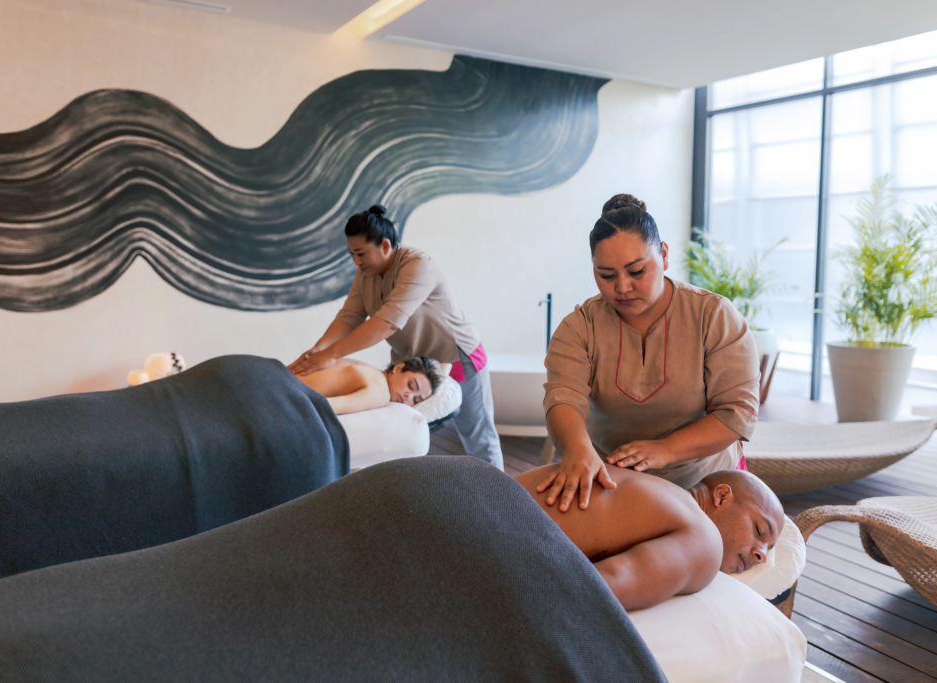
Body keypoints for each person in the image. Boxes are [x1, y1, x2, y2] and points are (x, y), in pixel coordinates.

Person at [539, 194, 760, 512]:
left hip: (706, 485)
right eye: (606, 275)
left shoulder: (714, 316)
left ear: (664, 255)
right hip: (612, 483)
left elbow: (737, 412)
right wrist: (576, 449)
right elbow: (563, 399)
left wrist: (666, 449)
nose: (622, 287)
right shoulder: (579, 326)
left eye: (637, 271)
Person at [290, 205, 503, 469]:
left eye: (361, 253)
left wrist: (330, 354)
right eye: (352, 254)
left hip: (456, 355)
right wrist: (316, 352)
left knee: (478, 436)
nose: (356, 261)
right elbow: (349, 316)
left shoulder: (418, 265)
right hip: (412, 361)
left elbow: (386, 324)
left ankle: (502, 493)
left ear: (385, 245)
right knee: (405, 432)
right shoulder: (365, 274)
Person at [517, 464, 783, 611]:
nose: (761, 555)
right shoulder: (706, 540)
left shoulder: (656, 493)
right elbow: (593, 590)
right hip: (501, 535)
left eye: (768, 548)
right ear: (722, 497)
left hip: (496, 493)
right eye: (760, 530)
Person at [296, 357, 442, 415]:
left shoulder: (369, 370)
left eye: (416, 400)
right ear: (398, 368)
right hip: (289, 398)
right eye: (411, 385)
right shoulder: (380, 393)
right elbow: (322, 408)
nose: (409, 396)